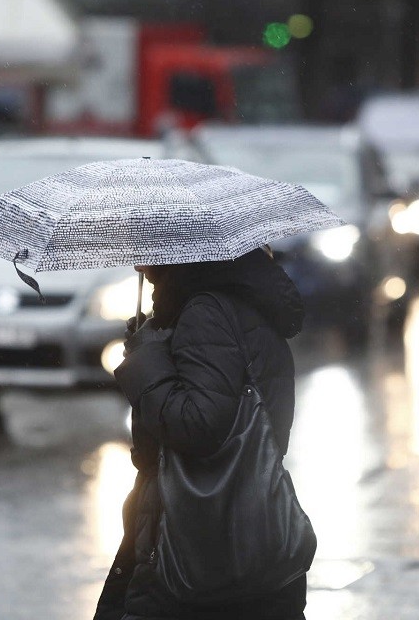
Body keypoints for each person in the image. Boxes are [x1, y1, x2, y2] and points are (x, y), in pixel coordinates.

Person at [94, 247, 308, 620]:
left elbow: (199, 428)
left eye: (147, 246)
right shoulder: (240, 304)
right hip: (246, 539)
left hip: (200, 548)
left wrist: (145, 363)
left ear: (176, 251)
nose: (136, 261)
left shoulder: (205, 313)